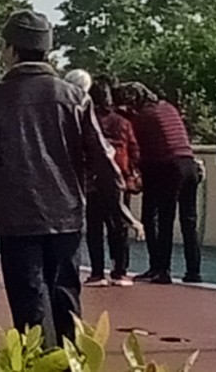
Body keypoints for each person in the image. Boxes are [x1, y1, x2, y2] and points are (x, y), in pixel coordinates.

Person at [0, 11, 121, 348]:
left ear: (11, 50)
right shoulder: (74, 97)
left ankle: (41, 363)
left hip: (18, 220)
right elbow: (103, 159)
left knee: (30, 305)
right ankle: (73, 362)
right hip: (67, 216)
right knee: (66, 298)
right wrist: (116, 208)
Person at [127, 83, 202, 285]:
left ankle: (161, 269)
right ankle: (193, 270)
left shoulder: (142, 116)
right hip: (189, 163)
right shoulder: (168, 107)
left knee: (159, 219)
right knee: (188, 220)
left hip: (167, 166)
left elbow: (137, 147)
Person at [88, 79, 141, 286]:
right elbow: (134, 150)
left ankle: (97, 273)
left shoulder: (89, 120)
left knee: (94, 226)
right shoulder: (122, 122)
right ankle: (120, 271)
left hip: (93, 178)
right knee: (119, 224)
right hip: (120, 176)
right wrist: (131, 172)